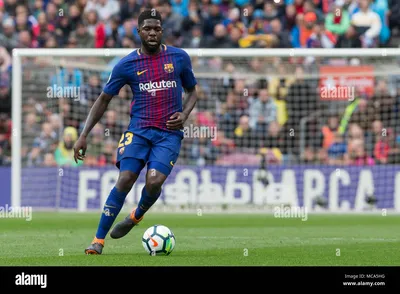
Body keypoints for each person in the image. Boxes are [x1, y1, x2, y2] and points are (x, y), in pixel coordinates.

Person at [73, 9, 198, 255]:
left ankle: (136, 215)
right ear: (138, 31)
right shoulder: (127, 64)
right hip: (138, 131)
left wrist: (184, 115)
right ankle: (98, 241)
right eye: (147, 28)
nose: (152, 32)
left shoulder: (179, 58)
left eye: (157, 28)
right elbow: (104, 99)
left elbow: (193, 91)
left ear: (162, 31)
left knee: (153, 182)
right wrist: (83, 134)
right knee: (126, 178)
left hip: (167, 134)